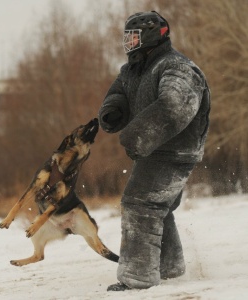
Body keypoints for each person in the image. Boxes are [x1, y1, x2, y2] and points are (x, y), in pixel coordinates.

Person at [98, 11, 210, 291]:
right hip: (156, 150)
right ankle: (168, 266)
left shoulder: (177, 67)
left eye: (133, 37)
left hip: (175, 151)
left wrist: (138, 134)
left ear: (150, 37)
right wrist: (112, 111)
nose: (128, 42)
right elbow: (119, 92)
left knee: (140, 204)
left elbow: (175, 107)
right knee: (157, 206)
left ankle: (138, 278)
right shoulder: (133, 69)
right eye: (127, 37)